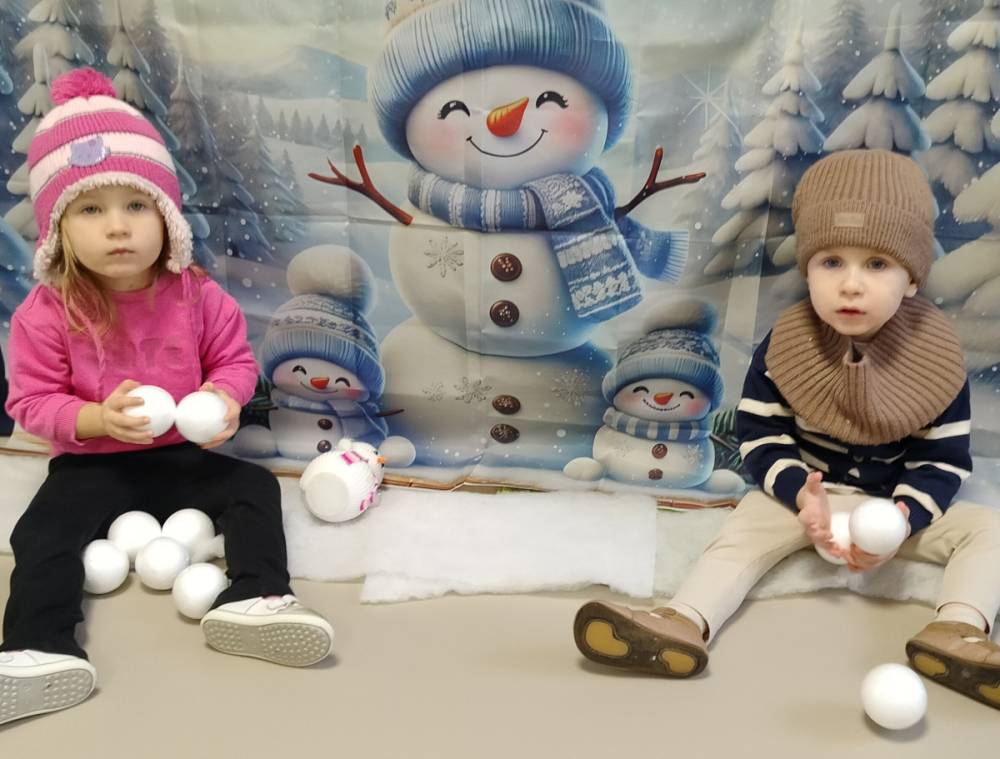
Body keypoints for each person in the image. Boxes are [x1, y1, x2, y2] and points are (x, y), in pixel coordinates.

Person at [572, 149, 1000, 710]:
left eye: (876, 265)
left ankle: (959, 629)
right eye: (832, 262)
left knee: (989, 531)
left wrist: (902, 519)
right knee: (740, 534)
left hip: (892, 508)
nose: (851, 285)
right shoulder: (788, 345)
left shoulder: (935, 360)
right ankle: (683, 620)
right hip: (805, 499)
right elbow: (760, 433)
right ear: (807, 269)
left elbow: (941, 462)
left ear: (913, 279)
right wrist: (799, 492)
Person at [0, 68, 333, 727]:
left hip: (180, 457)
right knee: (40, 530)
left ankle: (257, 597)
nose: (117, 227)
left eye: (136, 205)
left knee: (253, 488)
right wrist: (94, 417)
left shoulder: (197, 296)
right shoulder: (48, 312)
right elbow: (30, 402)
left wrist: (224, 397)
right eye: (90, 210)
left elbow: (235, 363)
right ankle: (37, 647)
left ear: (167, 215)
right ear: (57, 228)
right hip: (92, 466)